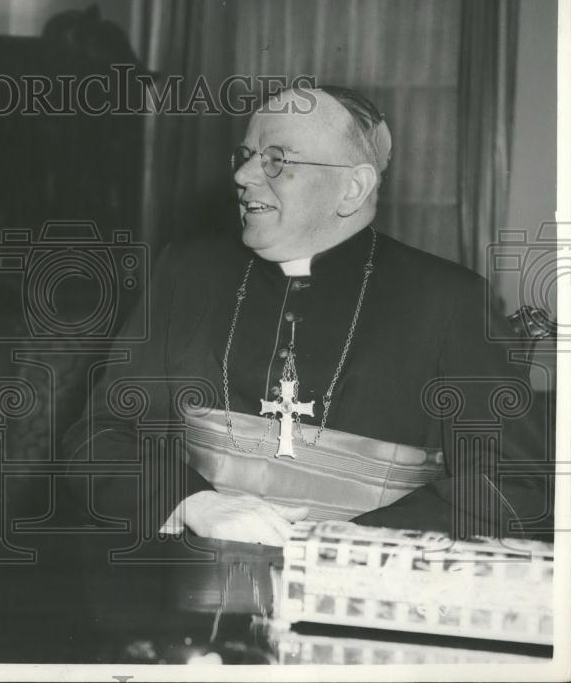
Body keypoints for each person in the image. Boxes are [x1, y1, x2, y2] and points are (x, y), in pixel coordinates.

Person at [62, 86, 549, 546]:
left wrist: (349, 544)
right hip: (189, 577)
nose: (244, 175)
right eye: (246, 156)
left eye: (276, 160)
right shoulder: (188, 272)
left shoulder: (450, 301)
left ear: (353, 188)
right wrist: (194, 502)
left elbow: (514, 485)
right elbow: (99, 435)